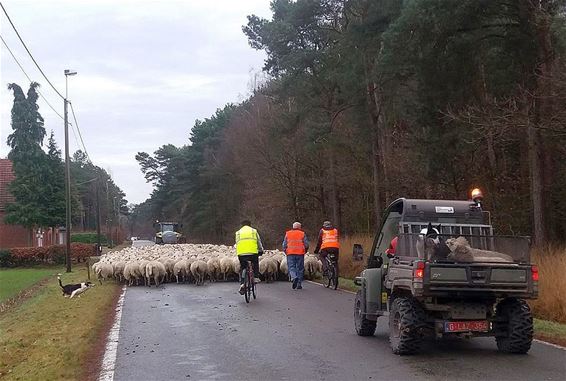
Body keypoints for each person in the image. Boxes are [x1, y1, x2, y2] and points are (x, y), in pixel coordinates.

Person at [235, 220, 263, 295]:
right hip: (253, 252)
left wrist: (238, 252)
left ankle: (242, 283)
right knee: (255, 263)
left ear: (242, 225)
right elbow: (258, 241)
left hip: (241, 253)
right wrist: (260, 250)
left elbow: (237, 243)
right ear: (250, 225)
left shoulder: (238, 232)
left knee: (243, 267)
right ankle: (256, 277)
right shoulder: (254, 231)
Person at [282, 221, 309, 290]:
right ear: (299, 227)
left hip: (290, 253)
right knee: (300, 268)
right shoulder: (302, 233)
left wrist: (285, 251)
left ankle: (294, 277)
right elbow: (306, 244)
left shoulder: (288, 233)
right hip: (300, 253)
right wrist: (305, 251)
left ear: (293, 227)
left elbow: (284, 244)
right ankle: (299, 284)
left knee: (291, 267)